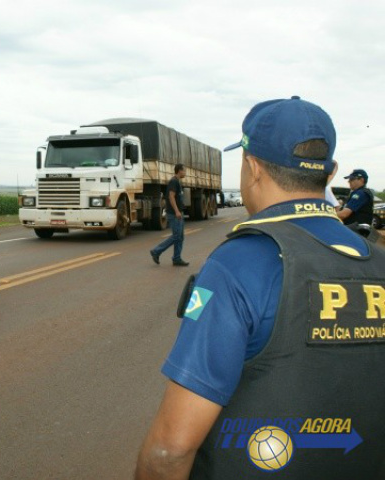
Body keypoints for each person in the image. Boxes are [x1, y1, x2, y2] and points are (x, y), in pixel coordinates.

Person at [135, 96, 385, 479]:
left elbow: (170, 448)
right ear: (331, 172)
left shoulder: (240, 263)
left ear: (251, 167)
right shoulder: (377, 259)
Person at [150, 164, 189, 266]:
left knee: (180, 237)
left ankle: (177, 258)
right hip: (174, 214)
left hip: (179, 213)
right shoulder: (173, 181)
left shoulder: (178, 182)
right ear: (179, 171)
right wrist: (176, 211)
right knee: (176, 236)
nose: (185, 173)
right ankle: (156, 251)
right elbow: (171, 197)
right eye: (184, 171)